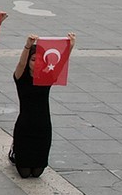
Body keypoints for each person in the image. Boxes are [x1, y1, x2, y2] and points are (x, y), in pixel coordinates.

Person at [9, 32, 74, 179]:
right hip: (25, 126)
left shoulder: (47, 77)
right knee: (24, 173)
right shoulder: (21, 77)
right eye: (33, 59)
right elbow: (21, 64)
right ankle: (14, 151)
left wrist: (70, 46)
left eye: (39, 59)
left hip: (43, 126)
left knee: (37, 173)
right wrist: (28, 46)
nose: (36, 62)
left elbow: (61, 62)